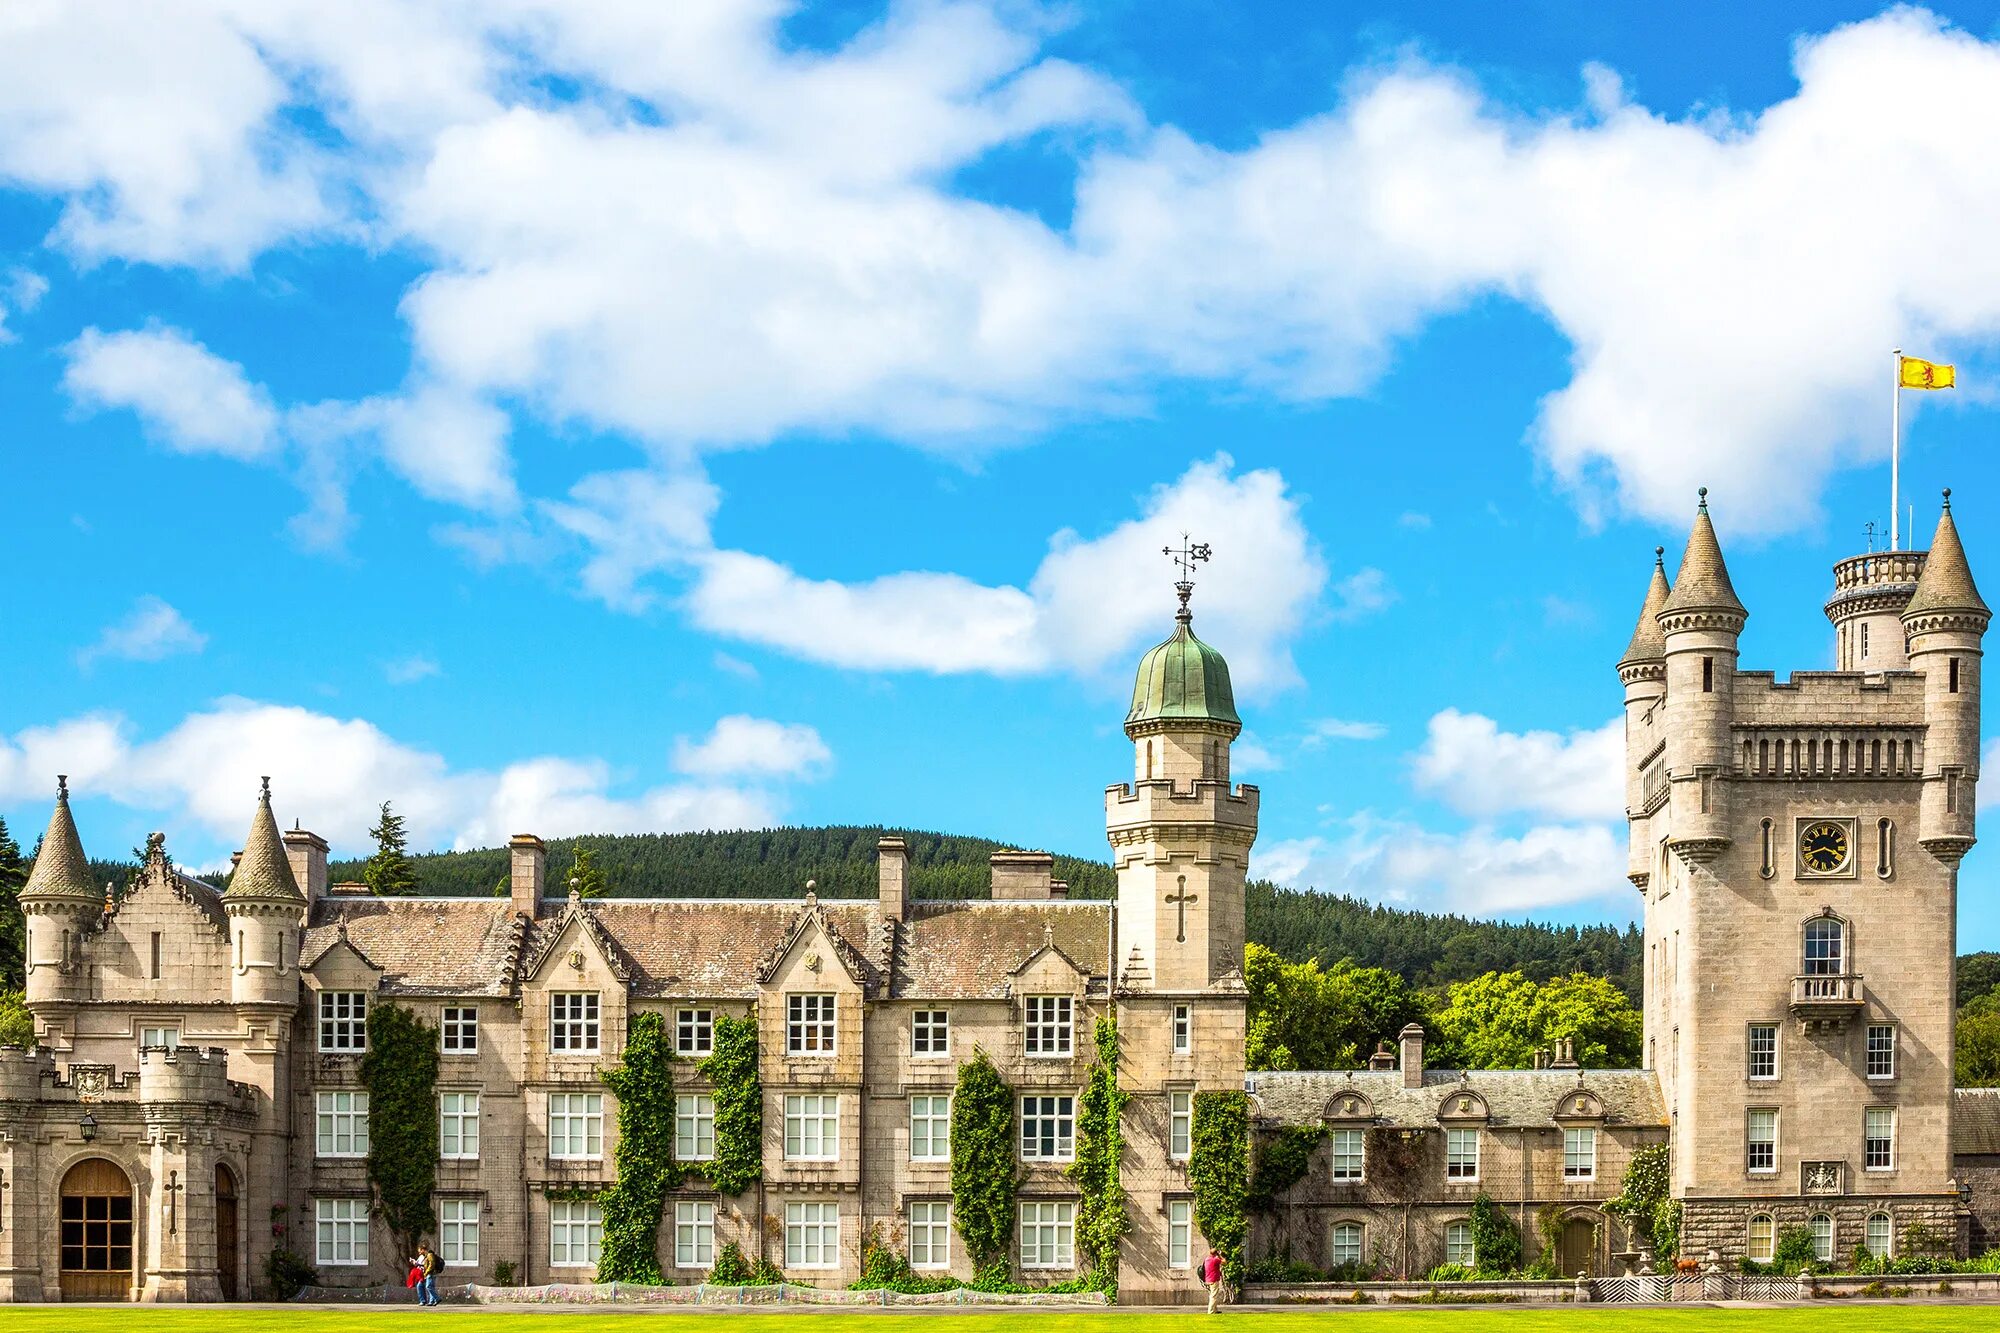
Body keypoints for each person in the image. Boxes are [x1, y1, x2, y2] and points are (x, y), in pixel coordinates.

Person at [1201, 1248, 1226, 1313]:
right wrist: (1220, 1255)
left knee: (1212, 1294)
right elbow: (1224, 1262)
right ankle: (1211, 1311)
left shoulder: (1207, 1259)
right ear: (1215, 1253)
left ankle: (1215, 1310)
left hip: (1207, 1279)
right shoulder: (1215, 1259)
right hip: (1214, 1279)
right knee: (1213, 1296)